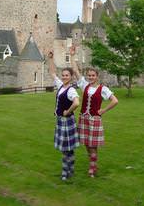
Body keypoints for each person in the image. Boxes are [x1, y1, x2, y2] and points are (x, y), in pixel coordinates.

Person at [70, 46, 118, 178]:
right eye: (89, 75)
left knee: (93, 144)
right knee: (86, 143)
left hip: (94, 119)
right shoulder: (84, 85)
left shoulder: (103, 89)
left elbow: (115, 101)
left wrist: (104, 110)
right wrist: (72, 55)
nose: (90, 77)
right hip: (83, 119)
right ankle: (93, 163)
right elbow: (75, 70)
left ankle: (92, 167)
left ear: (97, 76)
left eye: (93, 75)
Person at [48, 51, 80, 181]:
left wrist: (67, 111)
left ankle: (65, 173)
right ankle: (70, 170)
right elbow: (52, 73)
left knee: (66, 149)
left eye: (67, 75)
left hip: (67, 120)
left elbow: (77, 102)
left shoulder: (71, 90)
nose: (64, 77)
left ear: (71, 77)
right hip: (61, 120)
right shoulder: (61, 85)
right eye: (63, 75)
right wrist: (50, 59)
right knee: (68, 149)